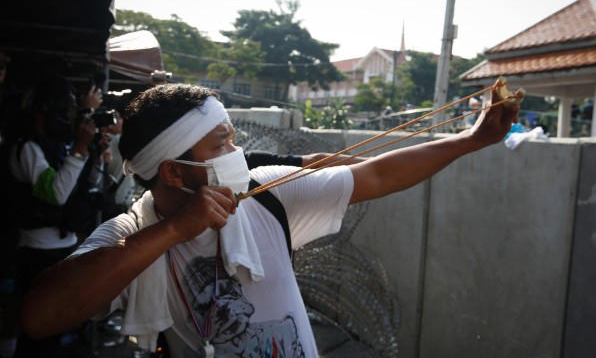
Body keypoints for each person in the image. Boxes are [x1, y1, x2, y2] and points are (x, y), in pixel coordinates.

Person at [19, 82, 519, 357]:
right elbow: (38, 319)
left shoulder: (265, 194)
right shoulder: (129, 236)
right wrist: (172, 232)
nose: (237, 154)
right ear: (173, 172)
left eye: (232, 139)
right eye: (221, 146)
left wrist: (470, 141)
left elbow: (379, 177)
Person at [5, 74, 108, 358]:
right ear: (46, 107)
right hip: (38, 253)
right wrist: (79, 150)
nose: (67, 117)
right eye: (64, 109)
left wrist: (94, 157)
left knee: (55, 329)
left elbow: (84, 186)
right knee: (38, 333)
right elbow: (57, 194)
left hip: (63, 246)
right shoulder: (27, 148)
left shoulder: (55, 146)